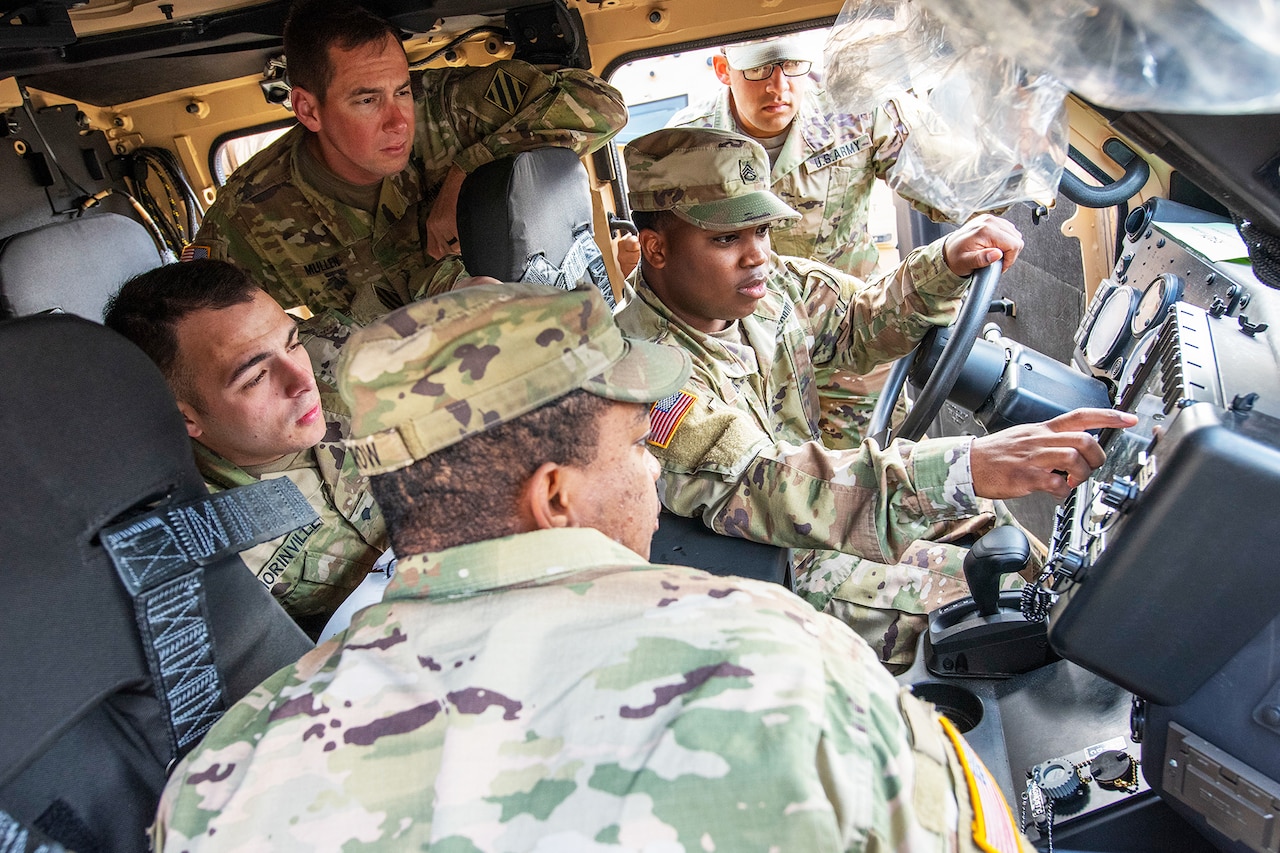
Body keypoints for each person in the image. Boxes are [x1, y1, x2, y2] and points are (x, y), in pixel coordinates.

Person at [152, 281, 1038, 852]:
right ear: (553, 496)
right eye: (632, 449)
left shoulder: (214, 788)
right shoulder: (795, 673)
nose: (655, 466)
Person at [615, 127, 1135, 669]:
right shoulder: (643, 372)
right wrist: (967, 465)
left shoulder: (768, 290)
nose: (758, 257)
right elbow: (761, 483)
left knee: (1002, 537)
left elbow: (856, 322)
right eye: (727, 240)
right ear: (656, 249)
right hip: (773, 560)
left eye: (764, 231)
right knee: (995, 607)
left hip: (821, 511)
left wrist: (946, 264)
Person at [190, 0, 627, 325]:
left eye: (401, 90)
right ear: (308, 110)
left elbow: (602, 105)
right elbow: (202, 330)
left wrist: (469, 171)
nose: (399, 121)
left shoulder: (445, 109)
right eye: (367, 100)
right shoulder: (248, 217)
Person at [669, 34, 946, 447]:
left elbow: (948, 190)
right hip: (751, 359)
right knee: (782, 491)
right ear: (724, 69)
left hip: (851, 337)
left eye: (792, 66)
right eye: (759, 69)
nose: (778, 87)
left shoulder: (856, 111)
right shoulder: (687, 145)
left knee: (883, 474)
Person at [104, 259, 387, 636]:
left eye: (293, 342)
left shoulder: (343, 356)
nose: (303, 381)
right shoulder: (199, 539)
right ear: (186, 419)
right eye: (255, 377)